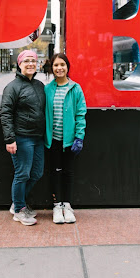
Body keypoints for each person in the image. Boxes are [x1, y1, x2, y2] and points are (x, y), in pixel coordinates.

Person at [0, 49, 46, 226]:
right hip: (21, 138)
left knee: (36, 173)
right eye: (26, 61)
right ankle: (19, 209)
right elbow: (6, 114)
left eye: (33, 61)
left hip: (38, 138)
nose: (30, 64)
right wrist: (10, 139)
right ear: (19, 64)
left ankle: (16, 204)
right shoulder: (12, 87)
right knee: (22, 174)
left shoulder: (39, 85)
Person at [44, 52, 87, 224]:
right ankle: (57, 206)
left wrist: (79, 137)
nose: (59, 68)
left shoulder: (76, 89)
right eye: (56, 65)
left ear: (67, 67)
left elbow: (81, 114)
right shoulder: (47, 89)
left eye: (62, 64)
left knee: (68, 172)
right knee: (54, 172)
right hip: (52, 140)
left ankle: (67, 206)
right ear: (52, 68)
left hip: (70, 141)